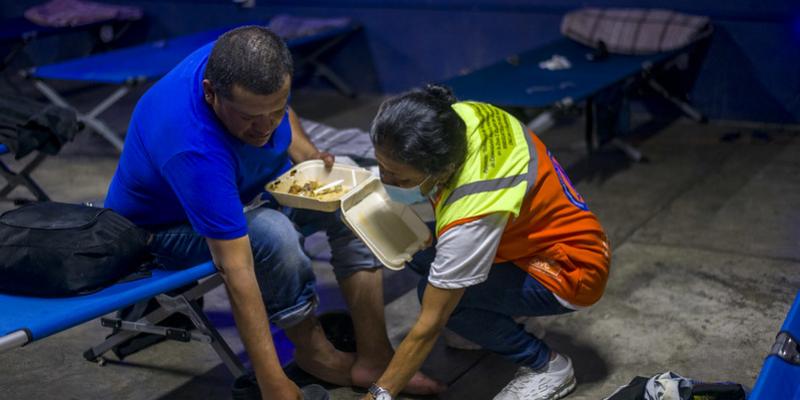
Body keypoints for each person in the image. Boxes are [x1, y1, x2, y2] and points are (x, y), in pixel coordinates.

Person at [104, 26, 443, 399]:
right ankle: (315, 353)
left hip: (241, 188)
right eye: (251, 117)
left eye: (276, 111)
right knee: (272, 232)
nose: (266, 127)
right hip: (160, 230)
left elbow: (272, 108)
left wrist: (308, 154)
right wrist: (272, 382)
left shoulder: (238, 62)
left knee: (350, 196)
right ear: (210, 93)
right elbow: (237, 269)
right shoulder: (193, 149)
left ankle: (375, 357)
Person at [362, 85, 611, 400]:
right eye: (383, 168)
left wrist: (379, 394)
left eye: (402, 179)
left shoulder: (471, 210)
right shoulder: (463, 117)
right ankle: (509, 318)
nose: (387, 182)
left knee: (439, 300)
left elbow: (428, 326)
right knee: (413, 244)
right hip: (533, 238)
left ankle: (547, 366)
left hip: (569, 270)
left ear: (445, 170)